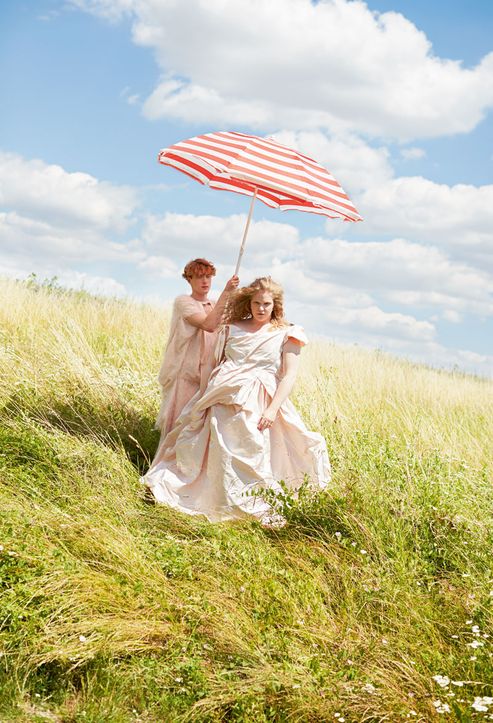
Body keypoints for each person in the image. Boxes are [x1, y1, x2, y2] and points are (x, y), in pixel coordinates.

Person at [143, 277, 330, 526]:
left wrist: (273, 409)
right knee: (214, 447)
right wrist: (203, 395)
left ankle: (250, 504)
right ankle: (210, 499)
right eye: (256, 303)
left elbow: (289, 375)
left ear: (275, 304)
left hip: (259, 397)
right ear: (249, 303)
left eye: (266, 303)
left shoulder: (288, 333)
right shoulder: (231, 327)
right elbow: (210, 362)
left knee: (251, 447)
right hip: (222, 391)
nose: (261, 308)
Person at [156, 258, 239, 438]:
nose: (205, 281)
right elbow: (208, 324)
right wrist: (226, 292)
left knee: (200, 424)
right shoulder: (184, 302)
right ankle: (166, 461)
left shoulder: (215, 304)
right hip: (185, 372)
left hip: (209, 373)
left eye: (208, 277)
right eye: (199, 277)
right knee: (178, 422)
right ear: (189, 279)